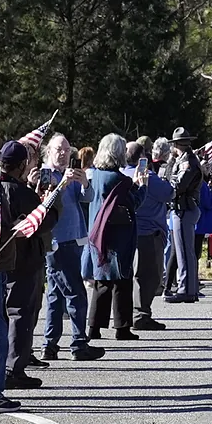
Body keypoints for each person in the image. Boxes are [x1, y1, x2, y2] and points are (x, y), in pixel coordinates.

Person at [0, 140, 61, 391]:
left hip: (0, 259)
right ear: (22, 165)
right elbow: (43, 221)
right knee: (21, 314)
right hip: (24, 259)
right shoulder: (21, 192)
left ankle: (4, 367)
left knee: (3, 313)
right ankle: (14, 368)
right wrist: (48, 201)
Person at [41, 135, 104, 360]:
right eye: (59, 149)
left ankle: (50, 344)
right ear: (49, 151)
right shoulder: (45, 173)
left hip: (74, 238)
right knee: (75, 292)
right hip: (57, 241)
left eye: (68, 150)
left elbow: (88, 198)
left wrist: (84, 182)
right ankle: (79, 344)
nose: (64, 154)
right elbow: (45, 204)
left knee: (56, 295)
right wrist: (62, 184)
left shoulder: (71, 173)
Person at [86, 134, 139, 339]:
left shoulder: (96, 175)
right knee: (122, 280)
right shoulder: (120, 180)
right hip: (118, 235)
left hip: (97, 233)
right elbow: (134, 204)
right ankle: (122, 327)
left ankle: (94, 327)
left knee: (102, 281)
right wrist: (141, 187)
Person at [132, 138, 174, 330]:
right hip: (149, 231)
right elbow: (169, 193)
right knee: (149, 276)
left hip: (133, 230)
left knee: (135, 275)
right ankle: (141, 314)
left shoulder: (123, 174)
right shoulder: (148, 177)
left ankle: (132, 313)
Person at [163, 127, 203, 303]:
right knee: (184, 251)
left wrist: (166, 182)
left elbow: (178, 186)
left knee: (184, 252)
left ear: (176, 145)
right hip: (182, 208)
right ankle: (189, 289)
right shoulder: (184, 160)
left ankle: (186, 289)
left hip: (184, 208)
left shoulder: (188, 163)